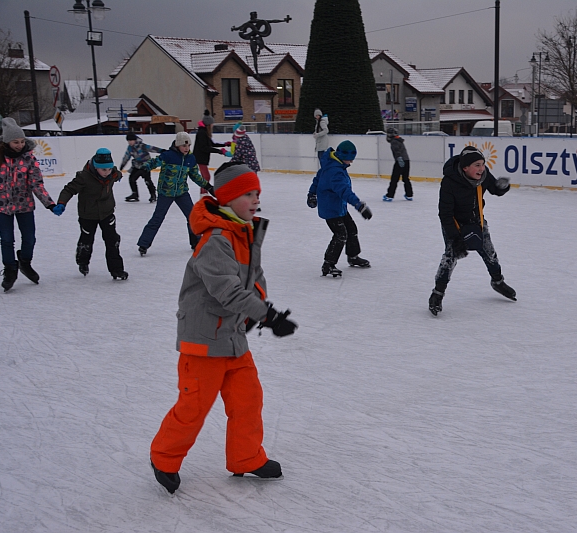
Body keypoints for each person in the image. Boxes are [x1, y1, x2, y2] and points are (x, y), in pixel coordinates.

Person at [150, 162, 297, 494]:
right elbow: (228, 290)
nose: (255, 199)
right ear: (229, 199)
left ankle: (246, 458)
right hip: (203, 342)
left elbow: (253, 279)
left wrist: (260, 309)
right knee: (193, 408)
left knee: (248, 399)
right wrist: (268, 317)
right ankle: (163, 458)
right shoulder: (217, 240)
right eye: (248, 194)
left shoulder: (244, 232)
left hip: (232, 338)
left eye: (257, 192)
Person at [0, 117, 59, 291]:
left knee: (29, 239)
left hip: (24, 204)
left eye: (22, 141)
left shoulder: (28, 157)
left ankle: (25, 262)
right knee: (7, 240)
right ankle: (10, 269)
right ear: (7, 141)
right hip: (1, 204)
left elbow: (36, 183)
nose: (20, 145)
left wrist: (50, 204)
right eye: (16, 142)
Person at [428, 146, 515, 316]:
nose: (481, 168)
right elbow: (445, 214)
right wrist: (455, 238)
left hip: (477, 221)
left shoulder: (482, 175)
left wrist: (501, 186)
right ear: (465, 167)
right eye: (477, 165)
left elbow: (494, 189)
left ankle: (497, 281)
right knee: (450, 258)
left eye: (483, 164)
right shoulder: (449, 182)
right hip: (454, 224)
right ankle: (437, 294)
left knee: (489, 252)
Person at [53, 148, 128, 279]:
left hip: (107, 213)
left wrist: (119, 176)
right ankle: (83, 261)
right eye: (103, 170)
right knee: (87, 240)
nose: (107, 172)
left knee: (112, 240)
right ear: (96, 167)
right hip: (88, 215)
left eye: (109, 169)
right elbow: (69, 189)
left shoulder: (112, 173)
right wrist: (61, 203)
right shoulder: (84, 177)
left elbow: (118, 174)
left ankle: (117, 269)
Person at [136, 131, 214, 255]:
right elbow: (154, 162)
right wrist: (145, 168)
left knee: (192, 217)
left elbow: (195, 176)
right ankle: (143, 244)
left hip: (182, 192)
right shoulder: (168, 155)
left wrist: (208, 186)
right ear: (178, 145)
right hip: (165, 192)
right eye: (184, 146)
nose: (186, 148)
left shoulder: (191, 158)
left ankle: (196, 242)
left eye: (188, 146)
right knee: (158, 218)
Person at [307, 140, 372, 276]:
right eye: (349, 159)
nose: (351, 162)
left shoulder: (331, 164)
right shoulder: (335, 172)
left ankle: (353, 257)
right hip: (331, 209)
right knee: (340, 235)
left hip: (338, 207)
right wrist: (359, 205)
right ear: (342, 157)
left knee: (351, 229)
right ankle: (328, 264)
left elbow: (318, 178)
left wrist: (312, 193)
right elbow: (344, 191)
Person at [119, 133, 162, 203]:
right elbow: (126, 157)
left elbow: (153, 148)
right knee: (132, 179)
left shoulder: (142, 146)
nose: (129, 142)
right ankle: (134, 194)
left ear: (135, 140)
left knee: (147, 180)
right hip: (136, 165)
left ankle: (153, 195)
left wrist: (163, 151)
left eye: (131, 140)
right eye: (128, 141)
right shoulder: (130, 148)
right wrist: (122, 165)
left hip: (145, 166)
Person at [193, 120, 226, 192]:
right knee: (206, 177)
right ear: (208, 124)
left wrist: (226, 144)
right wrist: (219, 151)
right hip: (200, 157)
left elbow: (212, 144)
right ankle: (203, 193)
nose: (213, 125)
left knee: (205, 177)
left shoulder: (204, 132)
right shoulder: (202, 133)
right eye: (212, 124)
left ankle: (203, 192)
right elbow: (204, 147)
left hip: (202, 158)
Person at [383, 127, 413, 202]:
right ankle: (409, 194)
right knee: (406, 178)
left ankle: (390, 195)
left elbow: (397, 151)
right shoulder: (400, 140)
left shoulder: (394, 141)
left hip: (400, 161)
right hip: (406, 161)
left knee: (394, 179)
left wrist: (399, 159)